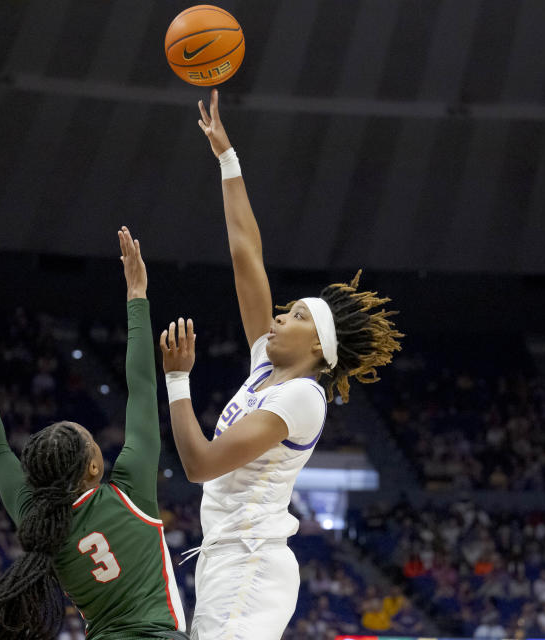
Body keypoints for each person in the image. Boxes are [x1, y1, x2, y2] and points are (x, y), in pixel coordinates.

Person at [159, 88, 402, 640]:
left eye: (292, 315)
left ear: (318, 344)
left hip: (252, 564)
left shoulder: (302, 397)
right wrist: (227, 158)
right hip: (226, 556)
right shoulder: (265, 369)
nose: (277, 318)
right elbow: (246, 252)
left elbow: (199, 465)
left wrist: (178, 379)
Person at [0, 227, 187, 639]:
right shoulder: (128, 494)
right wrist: (137, 293)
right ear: (94, 466)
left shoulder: (39, 522)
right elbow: (142, 387)